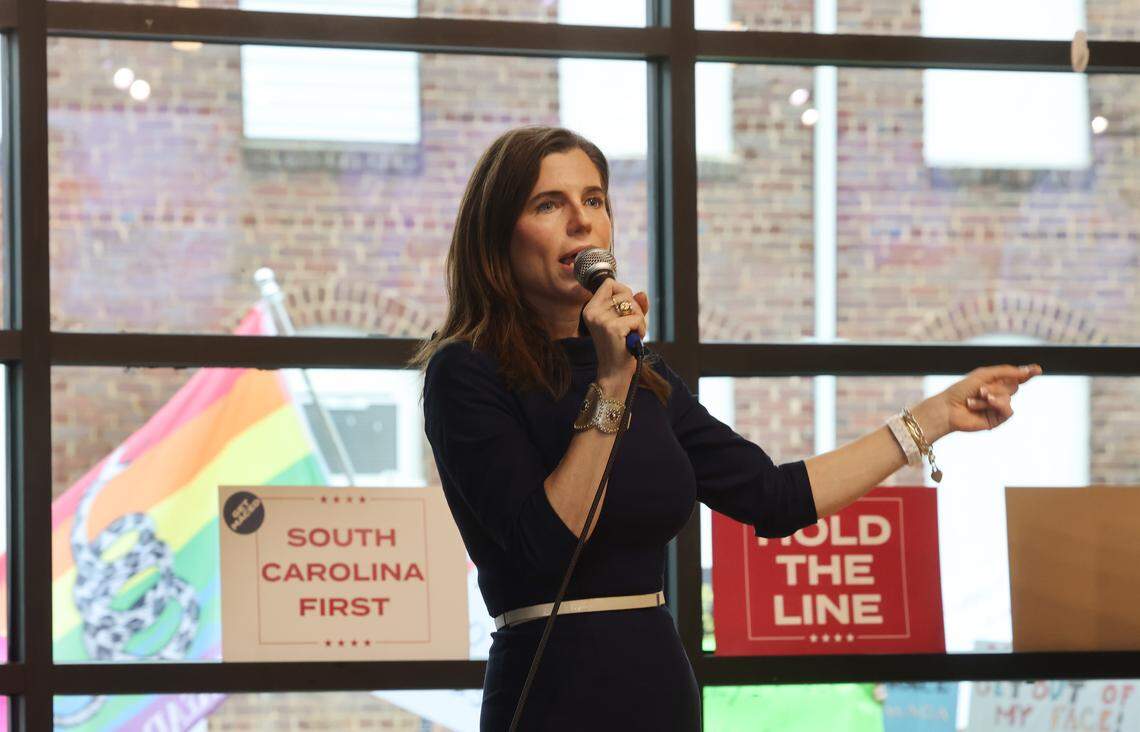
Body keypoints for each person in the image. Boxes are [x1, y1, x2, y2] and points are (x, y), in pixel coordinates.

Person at [410, 125, 1043, 731]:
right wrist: (607, 381)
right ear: (498, 234)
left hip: (659, 689)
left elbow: (772, 496)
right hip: (552, 695)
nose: (582, 220)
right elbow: (547, 546)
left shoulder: (642, 369)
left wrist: (932, 419)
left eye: (594, 199)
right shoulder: (466, 372)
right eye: (549, 203)